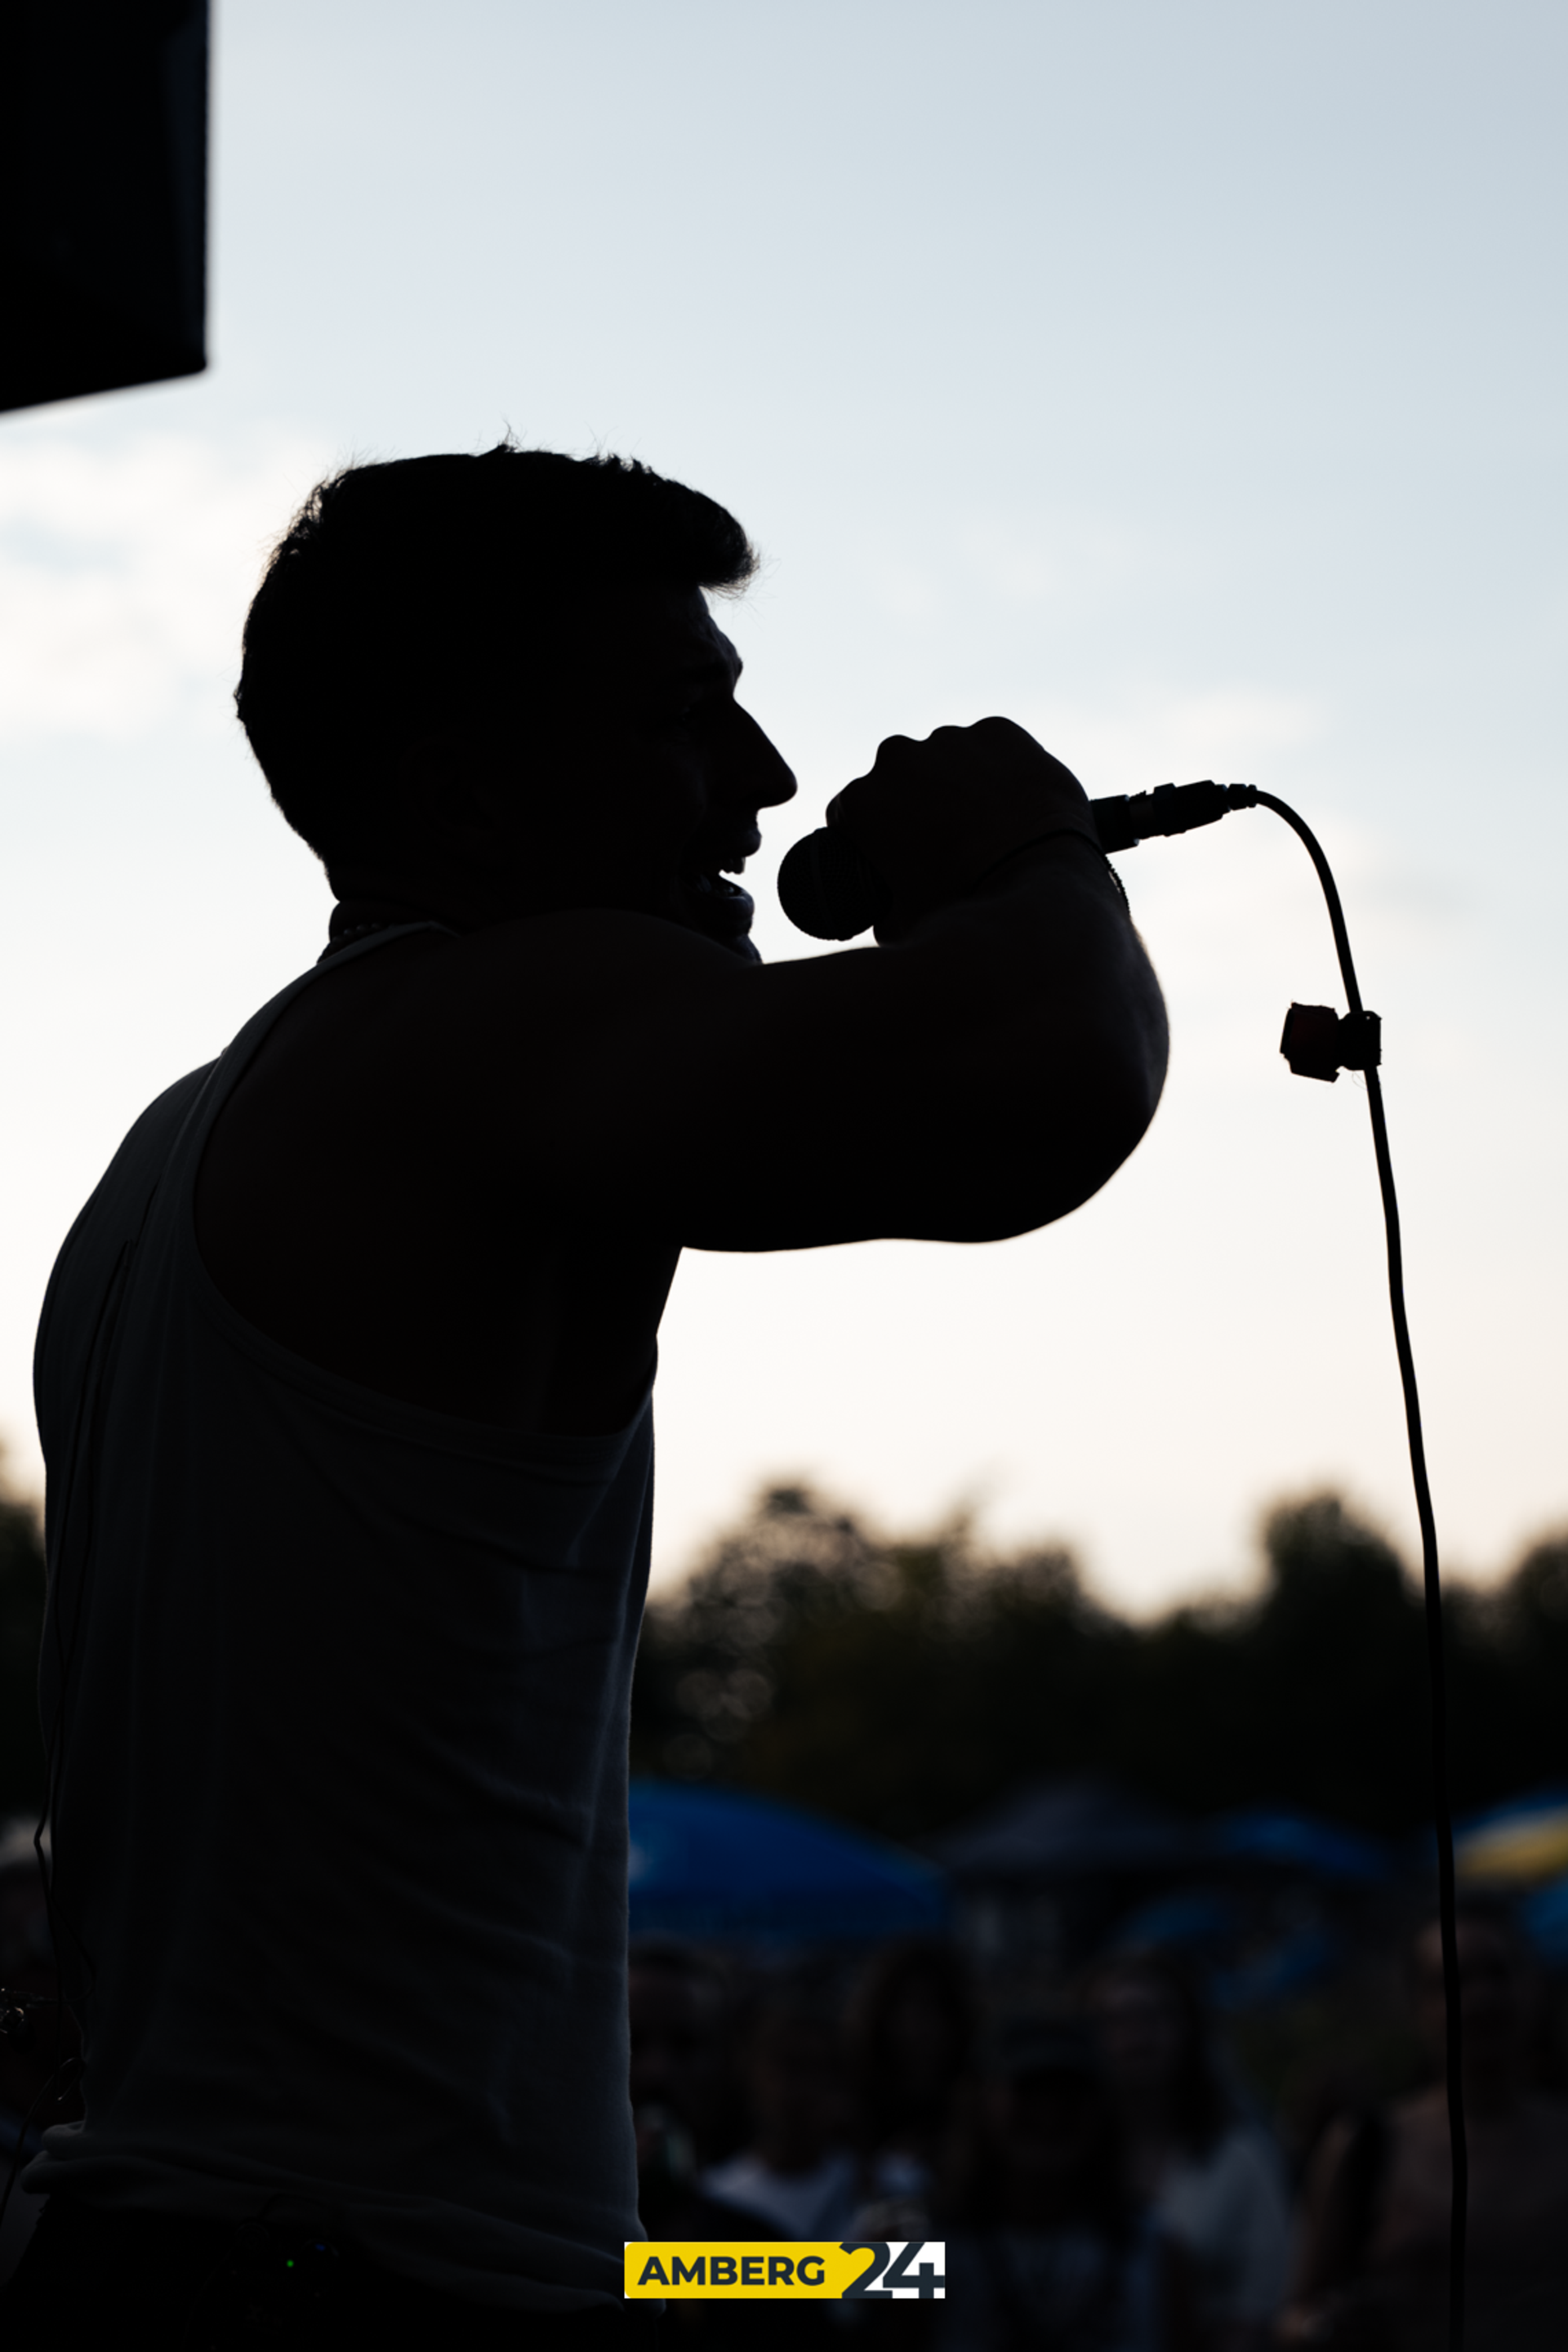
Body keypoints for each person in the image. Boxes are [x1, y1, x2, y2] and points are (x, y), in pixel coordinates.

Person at [4, 443, 1167, 2342]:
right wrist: (1028, 846)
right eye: (678, 720)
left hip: (188, 2247)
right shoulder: (474, 1031)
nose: (767, 783)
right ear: (464, 784)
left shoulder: (181, 1148)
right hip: (360, 2280)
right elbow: (1049, 1073)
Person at [1282, 1903, 1568, 2350]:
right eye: (1453, 1983)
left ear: (1532, 1986)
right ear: (1416, 2006)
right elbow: (1296, 2314)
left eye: (1498, 1973)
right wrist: (1327, 2327)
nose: (1480, 1999)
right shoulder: (1369, 2146)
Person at [938, 2019, 1193, 2352]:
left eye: (1069, 2095)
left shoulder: (1154, 2253)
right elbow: (848, 2297)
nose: (1049, 2113)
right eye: (1029, 2092)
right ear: (983, 2104)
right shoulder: (938, 2248)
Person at [1089, 1953, 1288, 2352]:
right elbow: (930, 2303)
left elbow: (1266, 2298)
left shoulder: (1239, 2158)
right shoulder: (1055, 2160)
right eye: (1118, 2021)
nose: (1137, 2038)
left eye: (1156, 2018)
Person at [702, 1980, 860, 2238]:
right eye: (790, 2065)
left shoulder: (886, 2192)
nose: (805, 2088)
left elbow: (922, 2276)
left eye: (818, 2067)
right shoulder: (712, 2198)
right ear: (749, 2069)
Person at [845, 1936, 975, 2230]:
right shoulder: (838, 2126)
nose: (917, 2028)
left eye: (935, 2009)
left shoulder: (984, 2123)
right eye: (902, 2009)